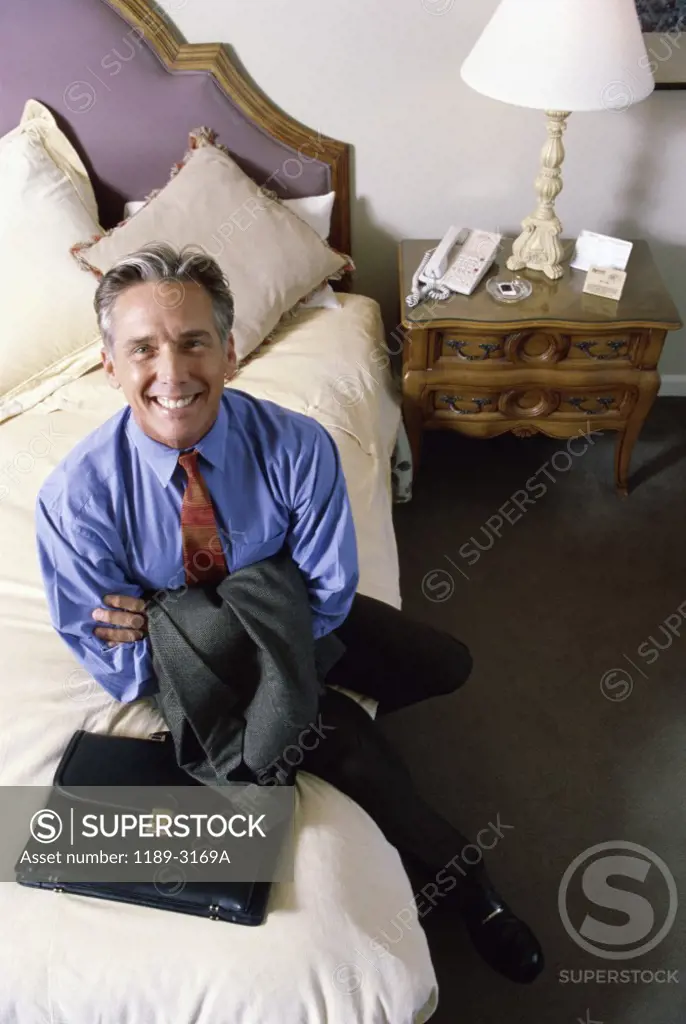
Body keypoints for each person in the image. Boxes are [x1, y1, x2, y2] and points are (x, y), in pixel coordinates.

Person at [36, 244, 543, 984]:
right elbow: (122, 664)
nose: (171, 373)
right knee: (357, 748)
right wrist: (257, 619)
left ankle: (323, 707)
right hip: (201, 680)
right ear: (110, 364)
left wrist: (174, 616)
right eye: (142, 348)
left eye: (193, 342)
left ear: (231, 352)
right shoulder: (75, 500)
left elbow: (329, 593)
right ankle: (476, 897)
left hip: (291, 628)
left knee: (447, 664)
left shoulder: (298, 447)